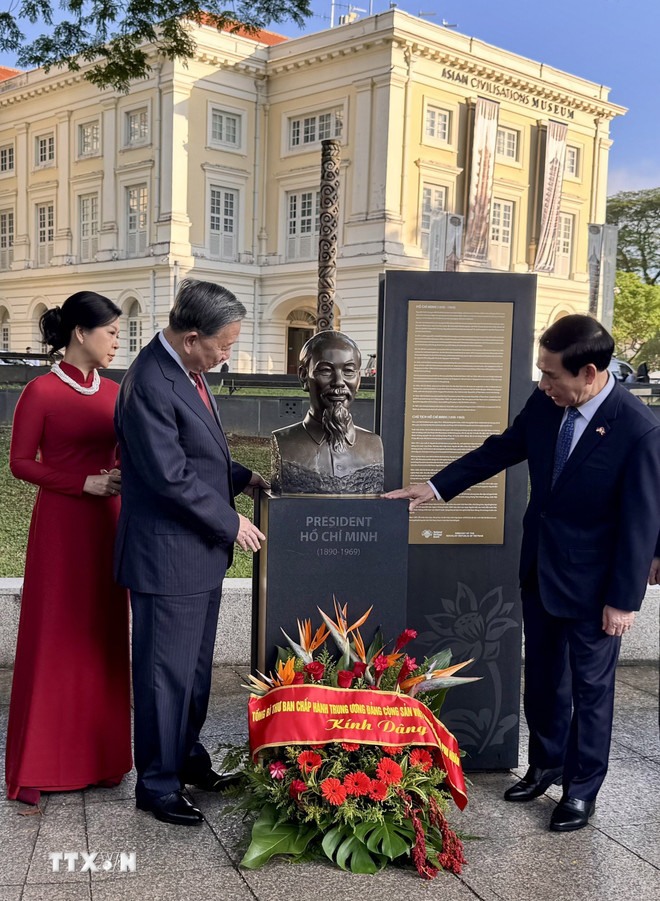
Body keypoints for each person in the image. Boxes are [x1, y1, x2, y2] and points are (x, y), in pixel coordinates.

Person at [384, 314, 660, 832]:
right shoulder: (547, 402)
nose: (542, 383)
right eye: (541, 372)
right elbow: (502, 448)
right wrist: (435, 487)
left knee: (591, 691)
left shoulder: (637, 428)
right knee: (545, 680)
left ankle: (581, 790)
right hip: (541, 567)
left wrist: (624, 601)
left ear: (590, 373)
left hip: (597, 584)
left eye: (552, 375)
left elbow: (644, 516)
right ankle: (546, 764)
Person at [114, 278, 267, 826]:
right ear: (191, 338)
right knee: (165, 678)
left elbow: (200, 450)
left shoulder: (186, 370)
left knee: (194, 674)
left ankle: (187, 760)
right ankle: (157, 785)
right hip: (167, 559)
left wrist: (245, 479)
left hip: (195, 556)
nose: (227, 355)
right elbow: (169, 475)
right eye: (223, 346)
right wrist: (231, 521)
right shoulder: (149, 382)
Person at [6, 292, 131, 805]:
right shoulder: (39, 391)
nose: (117, 341)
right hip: (62, 528)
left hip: (110, 525)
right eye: (111, 332)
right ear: (81, 332)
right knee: (56, 632)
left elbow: (129, 452)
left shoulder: (118, 392)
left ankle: (101, 760)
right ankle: (43, 763)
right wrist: (82, 482)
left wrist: (121, 475)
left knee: (102, 634)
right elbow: (20, 463)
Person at [271, 330, 384, 494]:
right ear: (304, 376)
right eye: (325, 370)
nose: (339, 382)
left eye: (349, 371)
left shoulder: (374, 445)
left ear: (359, 379)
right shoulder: (285, 443)